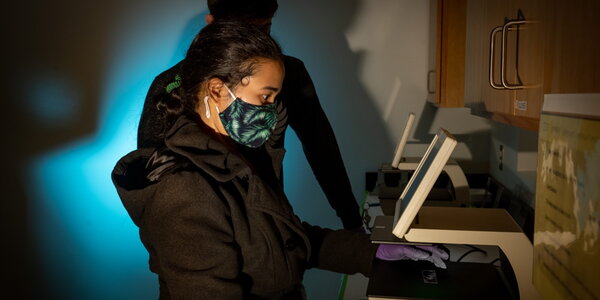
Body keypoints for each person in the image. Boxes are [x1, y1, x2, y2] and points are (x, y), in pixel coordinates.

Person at [112, 21, 448, 299]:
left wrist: (369, 252)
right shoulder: (185, 191)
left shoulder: (236, 155)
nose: (272, 111)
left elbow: (283, 240)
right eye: (265, 96)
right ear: (216, 91)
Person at [137, 0, 364, 230]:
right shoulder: (168, 87)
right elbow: (149, 185)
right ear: (211, 25)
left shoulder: (289, 74)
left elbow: (322, 148)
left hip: (271, 231)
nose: (256, 46)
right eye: (240, 34)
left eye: (265, 30)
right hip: (201, 237)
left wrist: (352, 222)